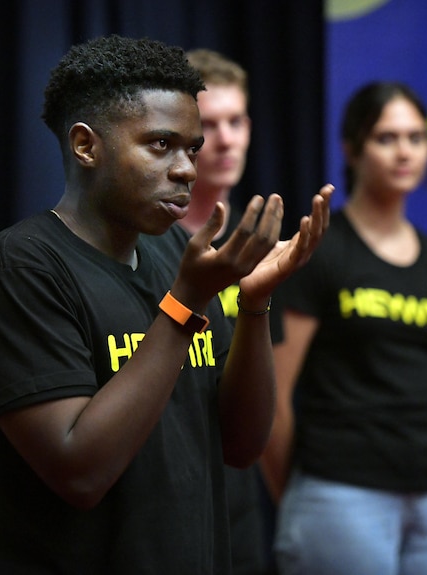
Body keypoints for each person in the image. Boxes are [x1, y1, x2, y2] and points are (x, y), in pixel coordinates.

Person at [0, 34, 333, 574]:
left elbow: (241, 444)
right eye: (160, 145)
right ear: (87, 146)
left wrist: (254, 302)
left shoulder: (174, 252)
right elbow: (79, 471)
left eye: (191, 149)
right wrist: (185, 304)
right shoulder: (19, 269)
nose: (186, 169)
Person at [262, 81, 427, 575]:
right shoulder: (319, 250)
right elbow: (272, 394)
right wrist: (298, 495)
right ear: (351, 149)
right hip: (341, 492)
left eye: (416, 137)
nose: (404, 151)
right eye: (386, 137)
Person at [182, 48, 279, 575]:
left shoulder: (258, 241)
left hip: (237, 500)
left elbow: (271, 392)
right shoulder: (139, 241)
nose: (226, 139)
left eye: (236, 121)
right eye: (209, 125)